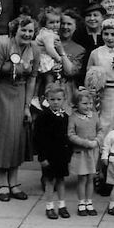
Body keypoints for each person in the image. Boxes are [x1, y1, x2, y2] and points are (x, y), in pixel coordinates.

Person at [0, 15, 39, 202]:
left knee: (16, 138)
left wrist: (27, 106)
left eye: (30, 31)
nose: (27, 34)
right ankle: (3, 183)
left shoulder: (34, 49)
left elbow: (32, 79)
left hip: (19, 95)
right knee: (1, 140)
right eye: (23, 30)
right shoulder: (2, 45)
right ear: (15, 31)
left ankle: (14, 182)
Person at [33, 85, 72, 219]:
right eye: (52, 99)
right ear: (47, 100)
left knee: (61, 180)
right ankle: (49, 206)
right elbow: (37, 138)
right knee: (50, 181)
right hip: (49, 156)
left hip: (61, 155)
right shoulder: (43, 117)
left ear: (64, 100)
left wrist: (69, 154)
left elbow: (68, 137)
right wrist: (42, 157)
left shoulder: (65, 117)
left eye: (59, 99)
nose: (56, 102)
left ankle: (62, 205)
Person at [68, 88, 103, 217]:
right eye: (84, 103)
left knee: (91, 178)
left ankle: (89, 202)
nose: (88, 106)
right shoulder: (73, 118)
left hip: (93, 152)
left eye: (90, 103)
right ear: (76, 103)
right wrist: (84, 142)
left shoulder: (94, 115)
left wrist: (97, 141)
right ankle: (81, 202)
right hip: (81, 152)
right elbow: (71, 135)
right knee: (82, 178)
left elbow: (100, 130)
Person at [58, 9, 86, 101]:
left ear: (75, 27)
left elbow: (70, 72)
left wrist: (61, 51)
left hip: (66, 90)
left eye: (69, 24)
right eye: (62, 23)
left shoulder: (79, 50)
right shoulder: (48, 43)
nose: (65, 27)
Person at [73, 3, 105, 81]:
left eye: (95, 15)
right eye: (88, 15)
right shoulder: (78, 35)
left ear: (102, 18)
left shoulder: (108, 34)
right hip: (81, 78)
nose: (92, 18)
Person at [35, 6, 64, 87]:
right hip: (44, 59)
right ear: (45, 23)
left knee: (39, 81)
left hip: (41, 58)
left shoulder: (44, 32)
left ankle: (36, 97)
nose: (55, 25)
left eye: (57, 22)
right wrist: (59, 58)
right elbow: (50, 49)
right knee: (49, 79)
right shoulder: (48, 35)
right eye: (51, 22)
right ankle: (48, 94)